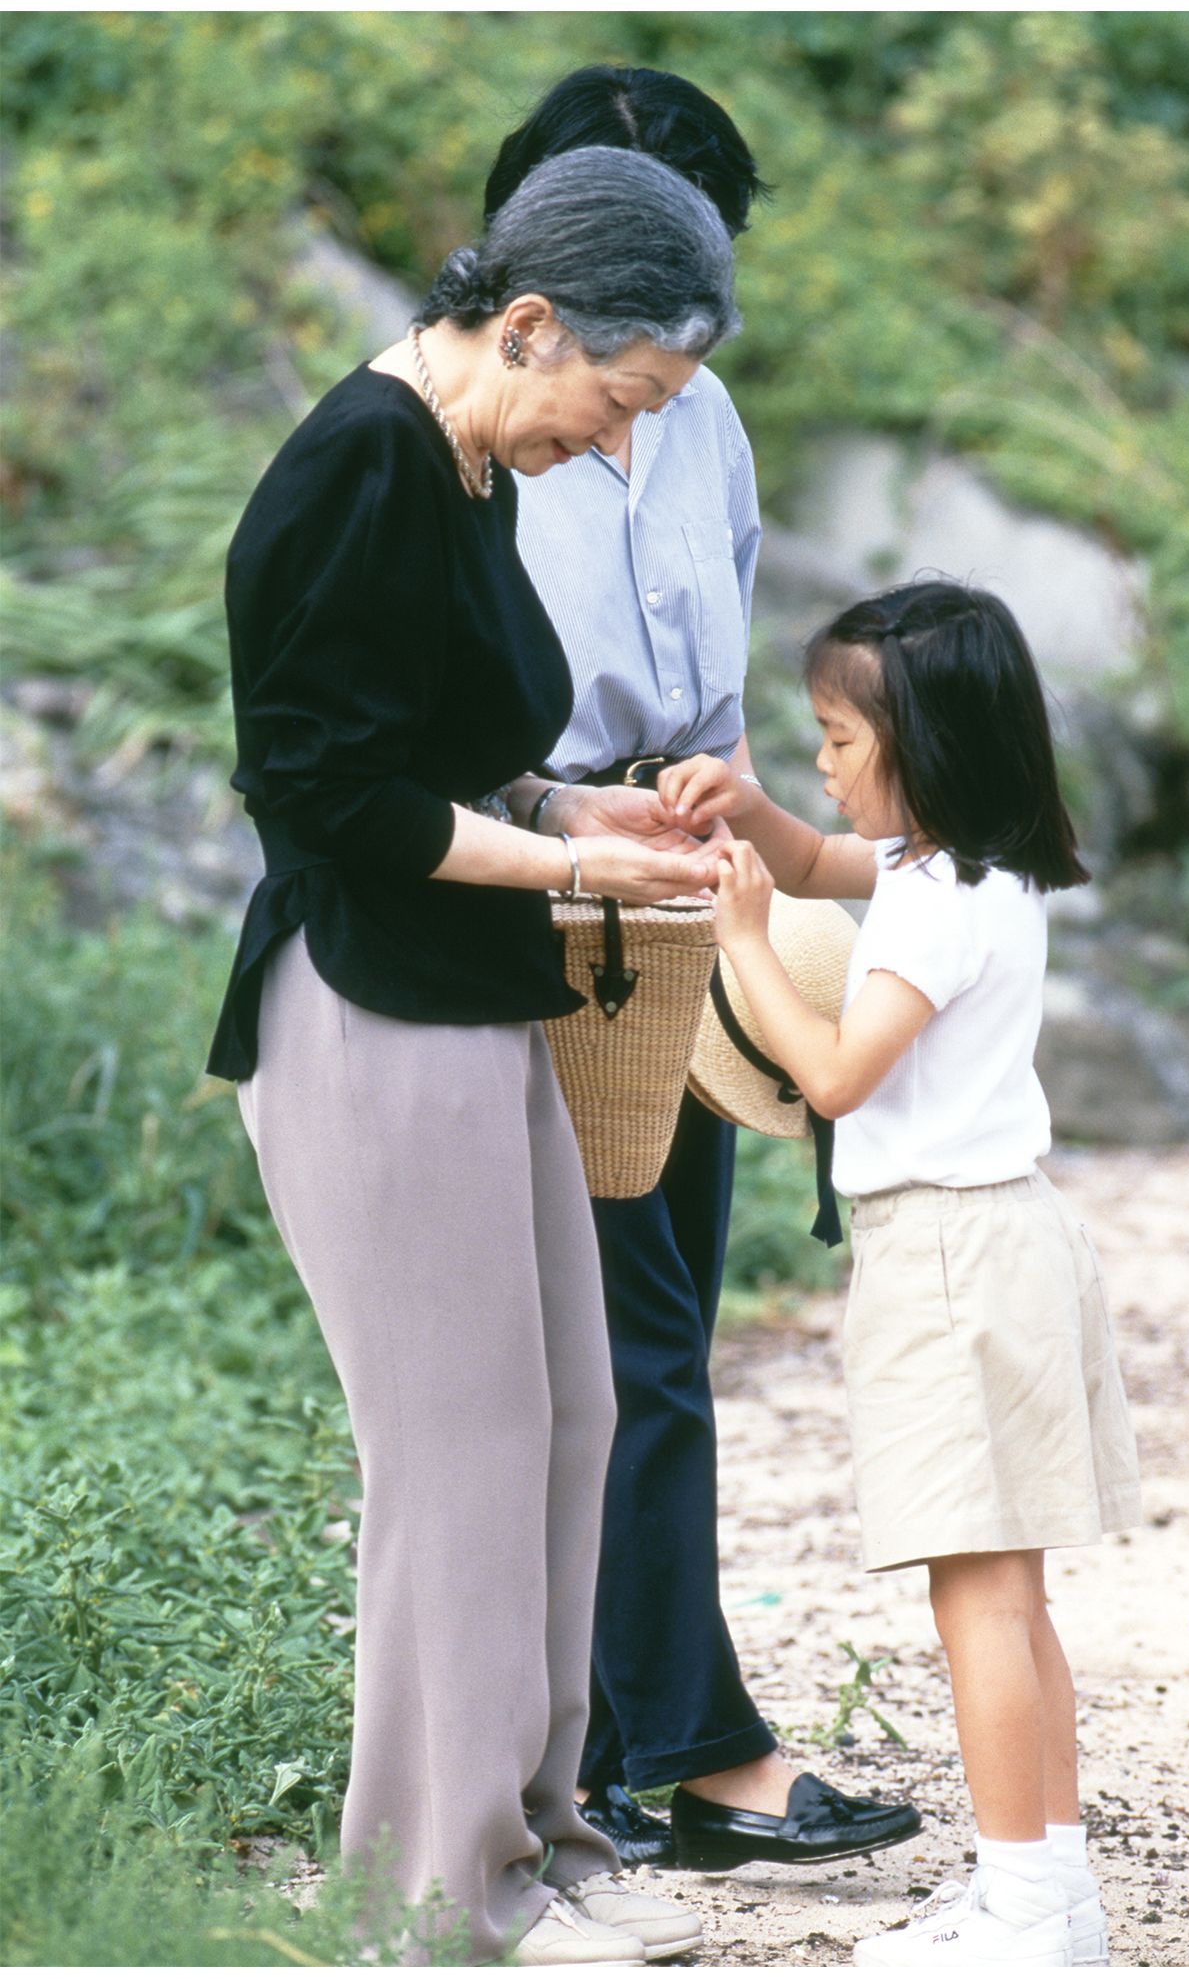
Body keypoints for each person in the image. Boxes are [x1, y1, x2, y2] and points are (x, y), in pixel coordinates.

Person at [206, 146, 747, 1968]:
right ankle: (442, 1893)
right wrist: (570, 858)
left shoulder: (464, 464)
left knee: (571, 1418)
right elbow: (330, 793)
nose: (611, 447)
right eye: (618, 399)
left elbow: (449, 753)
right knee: (453, 1455)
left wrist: (578, 807)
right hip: (365, 1005)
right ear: (527, 323)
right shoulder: (354, 464)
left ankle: (544, 1826)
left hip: (474, 989)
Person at [487, 63, 922, 1876]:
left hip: (681, 873)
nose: (675, 316)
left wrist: (744, 828)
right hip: (533, 873)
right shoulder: (469, 415)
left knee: (643, 1319)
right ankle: (683, 1756)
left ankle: (624, 1746)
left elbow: (718, 639)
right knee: (615, 1337)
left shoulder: (708, 414)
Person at [658, 580, 1143, 1966]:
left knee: (974, 1598)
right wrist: (748, 818)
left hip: (942, 1253)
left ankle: (1020, 1912)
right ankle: (1052, 1896)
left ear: (921, 742)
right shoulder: (978, 867)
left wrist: (742, 943)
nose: (819, 761)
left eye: (835, 735)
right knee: (1015, 1591)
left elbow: (831, 1075)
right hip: (1011, 1237)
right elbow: (819, 861)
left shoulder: (933, 904)